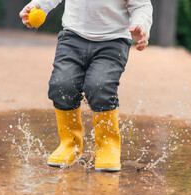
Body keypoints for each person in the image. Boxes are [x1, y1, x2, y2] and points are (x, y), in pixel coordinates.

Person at [19, 0, 153, 171]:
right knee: (62, 85)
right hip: (72, 37)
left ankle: (107, 145)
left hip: (113, 41)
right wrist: (37, 6)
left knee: (100, 86)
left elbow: (141, 5)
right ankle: (70, 143)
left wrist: (140, 24)